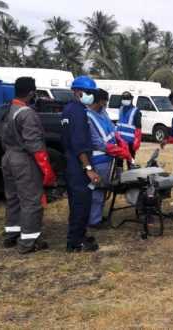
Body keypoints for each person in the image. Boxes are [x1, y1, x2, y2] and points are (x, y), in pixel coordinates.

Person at [0, 77, 57, 254]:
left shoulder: (6, 110)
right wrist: (47, 169)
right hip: (24, 160)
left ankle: (12, 234)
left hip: (8, 156)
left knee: (13, 197)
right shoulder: (26, 113)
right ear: (31, 93)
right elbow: (35, 145)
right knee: (31, 200)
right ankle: (29, 241)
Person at [61, 75, 101, 252]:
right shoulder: (77, 112)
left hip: (71, 163)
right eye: (88, 92)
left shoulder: (69, 109)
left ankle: (79, 235)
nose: (91, 95)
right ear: (77, 91)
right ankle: (75, 242)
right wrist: (89, 169)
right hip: (78, 167)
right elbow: (79, 145)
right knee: (81, 205)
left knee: (77, 204)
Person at [86, 89, 132, 228]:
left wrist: (120, 140)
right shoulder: (88, 116)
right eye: (105, 101)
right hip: (98, 158)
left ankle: (97, 216)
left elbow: (113, 129)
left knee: (103, 188)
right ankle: (94, 221)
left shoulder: (102, 113)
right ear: (100, 101)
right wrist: (119, 150)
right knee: (97, 189)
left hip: (108, 158)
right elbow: (97, 143)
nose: (106, 104)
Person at [116, 91, 142, 168]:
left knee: (130, 162)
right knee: (119, 162)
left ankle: (130, 177)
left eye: (127, 98)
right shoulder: (121, 109)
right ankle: (119, 177)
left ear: (131, 99)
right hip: (120, 141)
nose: (125, 100)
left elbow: (138, 128)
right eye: (124, 98)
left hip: (130, 142)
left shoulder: (135, 111)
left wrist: (136, 141)